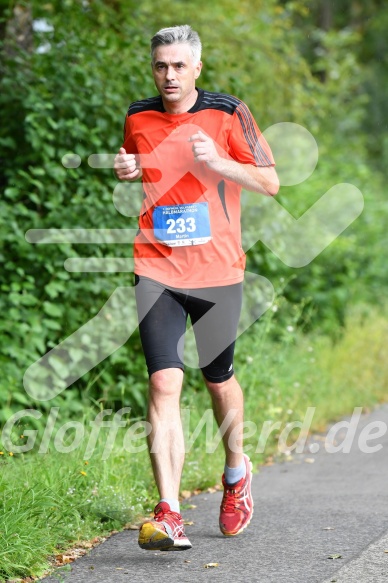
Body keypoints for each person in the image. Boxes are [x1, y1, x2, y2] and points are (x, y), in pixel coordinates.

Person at [114, 24, 279, 551]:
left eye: (179, 65)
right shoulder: (137, 116)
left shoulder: (229, 112)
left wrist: (220, 162)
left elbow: (271, 181)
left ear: (197, 68)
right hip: (156, 266)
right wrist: (127, 167)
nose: (169, 74)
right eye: (161, 65)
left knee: (216, 379)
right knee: (164, 382)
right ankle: (169, 512)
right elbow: (140, 164)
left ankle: (236, 472)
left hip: (217, 271)